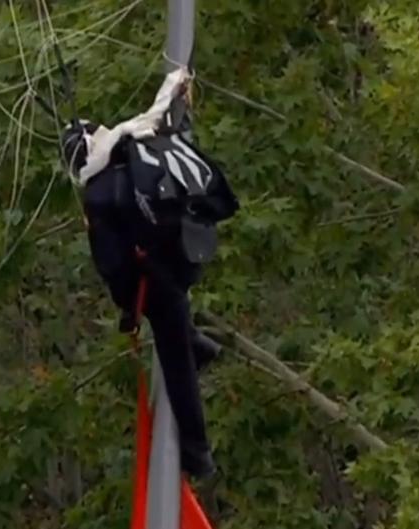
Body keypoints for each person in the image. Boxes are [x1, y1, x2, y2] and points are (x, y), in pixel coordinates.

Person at [61, 110, 239, 479]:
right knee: (177, 325)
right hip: (191, 244)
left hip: (160, 277)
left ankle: (197, 451)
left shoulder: (98, 196)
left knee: (175, 361)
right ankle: (202, 346)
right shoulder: (135, 147)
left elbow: (111, 265)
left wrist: (129, 307)